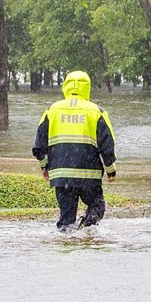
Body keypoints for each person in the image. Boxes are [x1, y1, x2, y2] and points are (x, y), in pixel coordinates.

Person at [32, 71, 117, 229]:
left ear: (66, 86)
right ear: (88, 88)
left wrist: (44, 166)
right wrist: (110, 170)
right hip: (89, 176)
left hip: (61, 176)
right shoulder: (96, 112)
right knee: (97, 206)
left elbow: (39, 145)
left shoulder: (52, 110)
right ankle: (86, 230)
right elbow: (107, 145)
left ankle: (67, 243)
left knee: (66, 219)